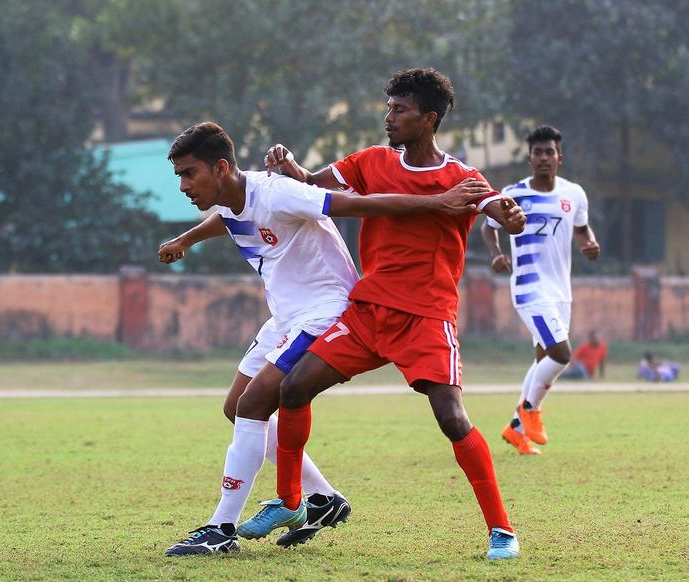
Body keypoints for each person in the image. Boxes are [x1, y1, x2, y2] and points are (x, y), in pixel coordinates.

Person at [159, 121, 492, 556]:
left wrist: (438, 201)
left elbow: (359, 205)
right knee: (235, 408)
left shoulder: (279, 192)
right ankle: (323, 498)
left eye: (189, 173)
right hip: (285, 316)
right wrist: (184, 240)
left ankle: (220, 529)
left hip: (323, 310)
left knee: (253, 404)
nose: (183, 185)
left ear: (220, 168)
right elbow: (227, 219)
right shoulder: (232, 199)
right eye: (180, 176)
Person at [257, 68, 527, 560]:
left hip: (426, 317)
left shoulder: (461, 177)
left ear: (429, 119)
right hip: (368, 311)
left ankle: (502, 531)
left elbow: (495, 206)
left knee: (451, 417)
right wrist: (291, 165)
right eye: (388, 108)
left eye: (400, 110)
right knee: (293, 387)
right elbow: (312, 188)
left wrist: (508, 214)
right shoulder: (371, 161)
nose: (389, 117)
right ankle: (290, 500)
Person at [480, 126, 600, 455]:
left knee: (543, 358)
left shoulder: (573, 194)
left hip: (561, 290)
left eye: (550, 152)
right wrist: (496, 255)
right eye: (538, 153)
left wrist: (588, 242)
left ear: (559, 157)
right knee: (561, 354)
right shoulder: (513, 194)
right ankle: (529, 411)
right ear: (530, 158)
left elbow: (582, 227)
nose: (544, 158)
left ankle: (516, 430)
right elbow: (488, 228)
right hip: (530, 288)